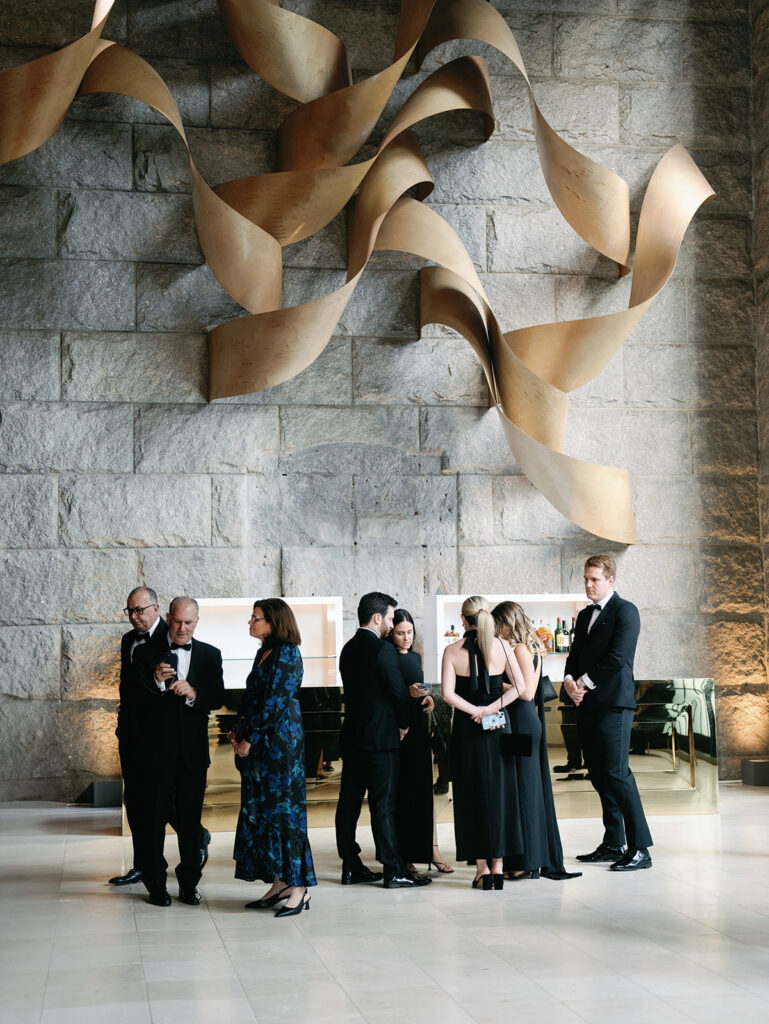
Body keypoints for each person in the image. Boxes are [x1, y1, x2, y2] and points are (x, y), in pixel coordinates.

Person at [110, 588, 213, 888]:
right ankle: (144, 864)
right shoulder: (129, 640)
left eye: (139, 610)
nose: (134, 616)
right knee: (135, 801)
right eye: (129, 611)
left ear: (157, 611)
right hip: (131, 734)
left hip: (161, 740)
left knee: (159, 804)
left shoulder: (169, 639)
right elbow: (129, 690)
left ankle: (191, 838)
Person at [335, 592, 431, 889]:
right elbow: (398, 694)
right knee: (383, 806)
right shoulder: (382, 650)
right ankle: (394, 870)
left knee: (348, 804)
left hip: (352, 738)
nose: (392, 624)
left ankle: (351, 866)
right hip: (381, 739)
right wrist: (403, 724)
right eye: (390, 618)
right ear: (377, 618)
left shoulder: (347, 649)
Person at [564, 555, 653, 871]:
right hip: (587, 704)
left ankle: (640, 848)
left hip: (615, 705)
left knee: (617, 774)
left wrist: (583, 684)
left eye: (595, 580)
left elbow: (618, 657)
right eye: (586, 579)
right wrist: (569, 683)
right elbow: (574, 655)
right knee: (599, 775)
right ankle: (614, 843)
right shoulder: (585, 614)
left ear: (610, 580)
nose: (588, 585)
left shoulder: (626, 611)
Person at [133, 596, 224, 906]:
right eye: (177, 621)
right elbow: (135, 704)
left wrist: (194, 693)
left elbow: (217, 697)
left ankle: (189, 884)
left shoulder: (211, 655)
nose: (183, 628)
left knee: (189, 823)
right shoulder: (145, 653)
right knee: (153, 822)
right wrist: (157, 683)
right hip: (156, 756)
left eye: (189, 622)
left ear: (196, 622)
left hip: (193, 755)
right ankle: (156, 885)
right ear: (168, 618)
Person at [229, 599, 316, 917]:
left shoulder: (288, 653)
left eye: (256, 618)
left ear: (274, 621)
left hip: (279, 746)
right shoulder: (264, 651)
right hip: (262, 745)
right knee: (266, 811)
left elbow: (275, 703)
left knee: (285, 814)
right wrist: (239, 732)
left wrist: (250, 738)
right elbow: (254, 698)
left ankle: (299, 887)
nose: (250, 622)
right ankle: (280, 881)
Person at [491, 602, 581, 882]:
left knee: (525, 792)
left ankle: (527, 861)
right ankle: (527, 858)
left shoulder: (519, 648)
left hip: (521, 725)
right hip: (522, 724)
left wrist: (492, 683)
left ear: (506, 623)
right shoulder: (529, 645)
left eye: (497, 625)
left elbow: (527, 692)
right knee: (523, 789)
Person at [441, 595, 526, 890]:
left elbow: (447, 694)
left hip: (466, 729)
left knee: (470, 795)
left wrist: (475, 710)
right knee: (503, 793)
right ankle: (499, 867)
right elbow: (521, 687)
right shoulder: (502, 646)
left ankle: (481, 869)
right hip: (500, 726)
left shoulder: (452, 651)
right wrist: (492, 708)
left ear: (463, 620)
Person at [388, 609, 453, 874]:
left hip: (418, 730)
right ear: (391, 633)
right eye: (400, 633)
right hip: (398, 731)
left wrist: (428, 699)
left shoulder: (415, 656)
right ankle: (404, 854)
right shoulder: (387, 656)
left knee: (424, 792)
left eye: (410, 633)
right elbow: (388, 694)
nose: (406, 638)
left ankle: (432, 850)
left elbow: (418, 688)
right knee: (403, 795)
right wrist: (408, 693)